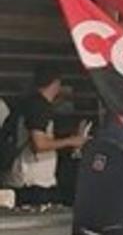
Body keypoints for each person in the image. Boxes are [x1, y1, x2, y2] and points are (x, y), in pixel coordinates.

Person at [3, 66, 88, 207]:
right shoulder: (39, 107)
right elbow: (39, 144)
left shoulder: (25, 104)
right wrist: (72, 141)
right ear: (56, 83)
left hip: (19, 177)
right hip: (32, 180)